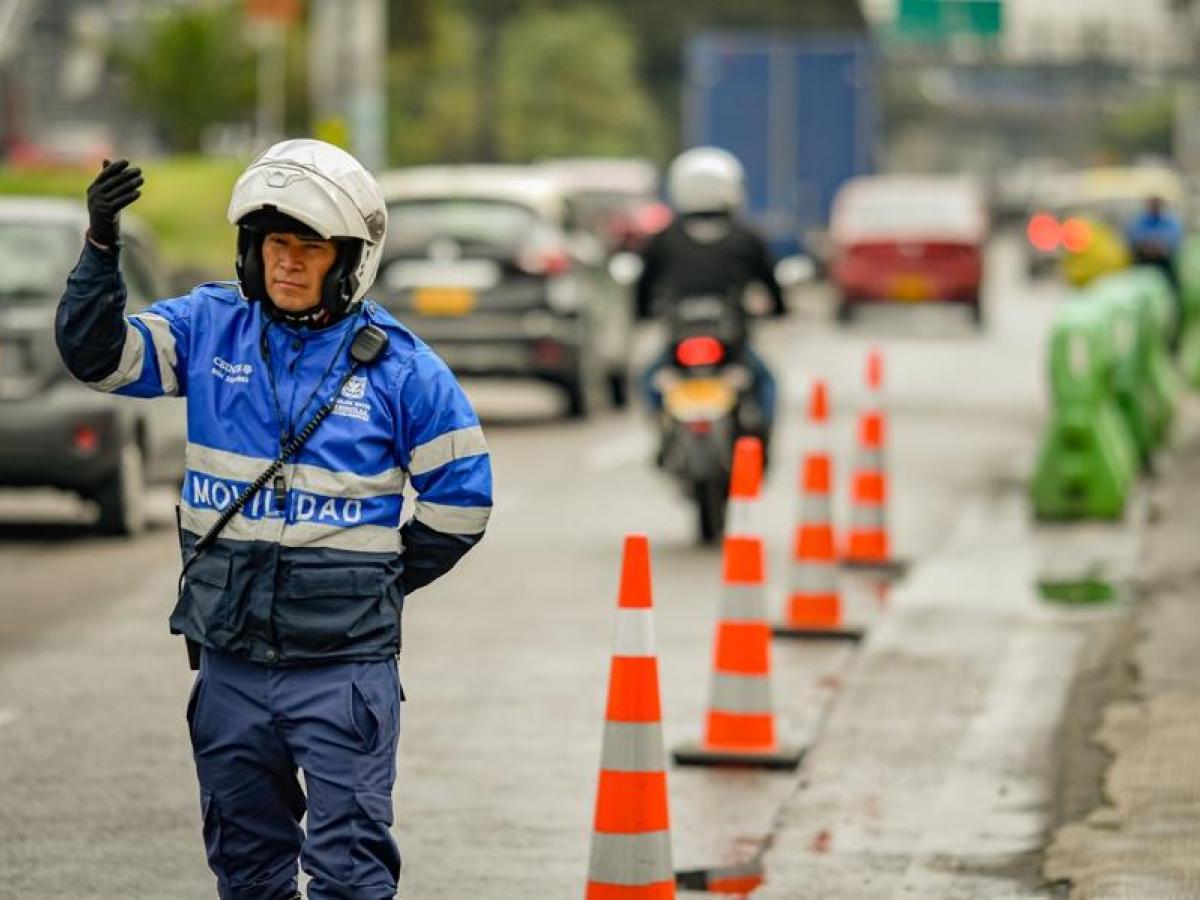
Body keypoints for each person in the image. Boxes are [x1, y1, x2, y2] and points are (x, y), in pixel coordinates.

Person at [56, 140, 493, 900]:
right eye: (274, 245)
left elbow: (463, 502)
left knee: (350, 875)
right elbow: (98, 357)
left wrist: (367, 583)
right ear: (251, 252)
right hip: (229, 663)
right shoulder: (208, 327)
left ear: (349, 259)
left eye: (310, 247)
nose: (288, 263)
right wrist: (100, 247)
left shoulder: (404, 368)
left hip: (343, 671)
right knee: (247, 872)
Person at [635, 147, 786, 445]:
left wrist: (642, 313)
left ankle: (661, 430)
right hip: (730, 344)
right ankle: (762, 434)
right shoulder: (746, 237)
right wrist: (780, 309)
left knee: (648, 379)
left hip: (682, 342)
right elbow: (771, 283)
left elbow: (643, 285)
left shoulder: (665, 238)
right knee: (766, 382)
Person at [1126, 195, 1184, 349]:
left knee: (1171, 305)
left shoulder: (1170, 221)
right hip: (1143, 268)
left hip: (1164, 269)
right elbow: (1133, 236)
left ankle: (1171, 341)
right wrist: (1148, 245)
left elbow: (1174, 238)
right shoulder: (1140, 220)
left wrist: (1158, 245)